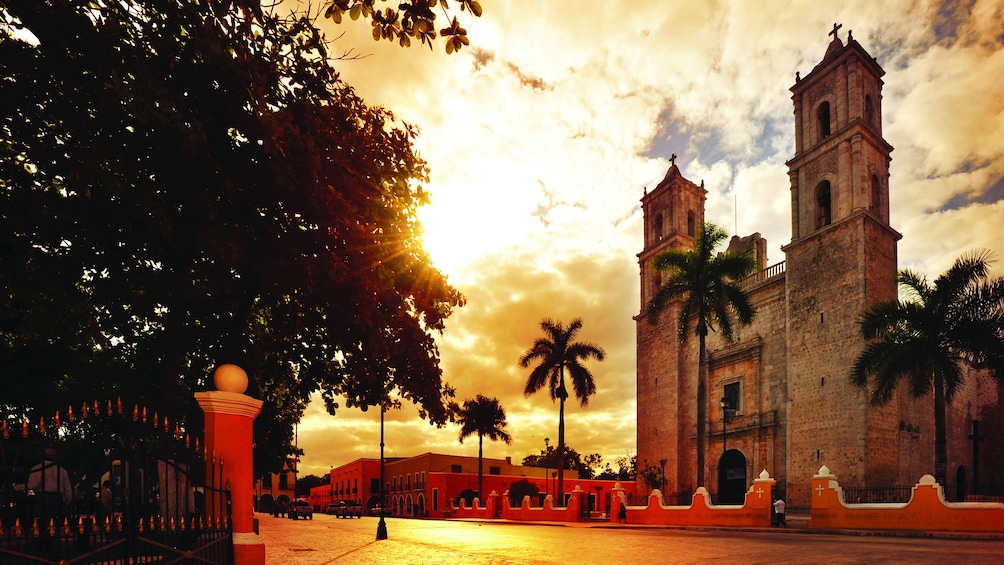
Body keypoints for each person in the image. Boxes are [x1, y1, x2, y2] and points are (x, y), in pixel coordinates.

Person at [27, 447, 73, 546]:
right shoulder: (62, 471)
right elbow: (68, 489)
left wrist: (17, 486)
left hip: (43, 496)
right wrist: (67, 502)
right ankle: (53, 543)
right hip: (57, 497)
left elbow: (33, 484)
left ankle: (44, 543)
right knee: (55, 521)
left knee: (44, 521)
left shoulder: (37, 469)